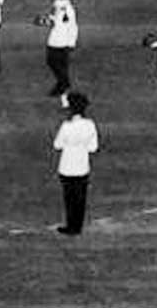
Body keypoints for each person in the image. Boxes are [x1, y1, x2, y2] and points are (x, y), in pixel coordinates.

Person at [52, 91, 99, 235]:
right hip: (82, 167)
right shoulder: (90, 125)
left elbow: (57, 145)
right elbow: (93, 148)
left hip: (66, 166)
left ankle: (70, 225)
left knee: (69, 198)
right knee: (80, 198)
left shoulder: (67, 126)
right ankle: (77, 226)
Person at [44, 0, 78, 98]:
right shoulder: (57, 4)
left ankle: (63, 84)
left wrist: (71, 43)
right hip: (55, 39)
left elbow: (72, 27)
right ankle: (63, 83)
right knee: (54, 62)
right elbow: (53, 19)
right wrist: (44, 21)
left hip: (61, 41)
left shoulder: (68, 9)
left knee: (55, 62)